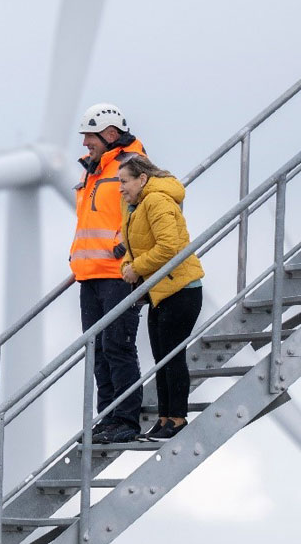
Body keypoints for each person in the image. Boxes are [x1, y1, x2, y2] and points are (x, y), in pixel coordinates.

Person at [69, 102, 148, 444]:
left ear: (111, 134)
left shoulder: (132, 167)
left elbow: (147, 208)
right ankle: (107, 417)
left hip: (120, 272)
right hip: (89, 274)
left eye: (90, 137)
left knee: (118, 346)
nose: (85, 143)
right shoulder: (96, 170)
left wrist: (126, 246)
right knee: (99, 350)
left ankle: (127, 420)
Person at [117, 155, 204, 440]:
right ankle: (164, 418)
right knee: (161, 357)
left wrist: (137, 269)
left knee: (171, 355)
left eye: (124, 181)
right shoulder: (134, 206)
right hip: (160, 290)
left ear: (141, 179)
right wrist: (128, 268)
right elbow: (131, 248)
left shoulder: (157, 201)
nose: (120, 188)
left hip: (181, 290)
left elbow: (170, 247)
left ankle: (177, 419)